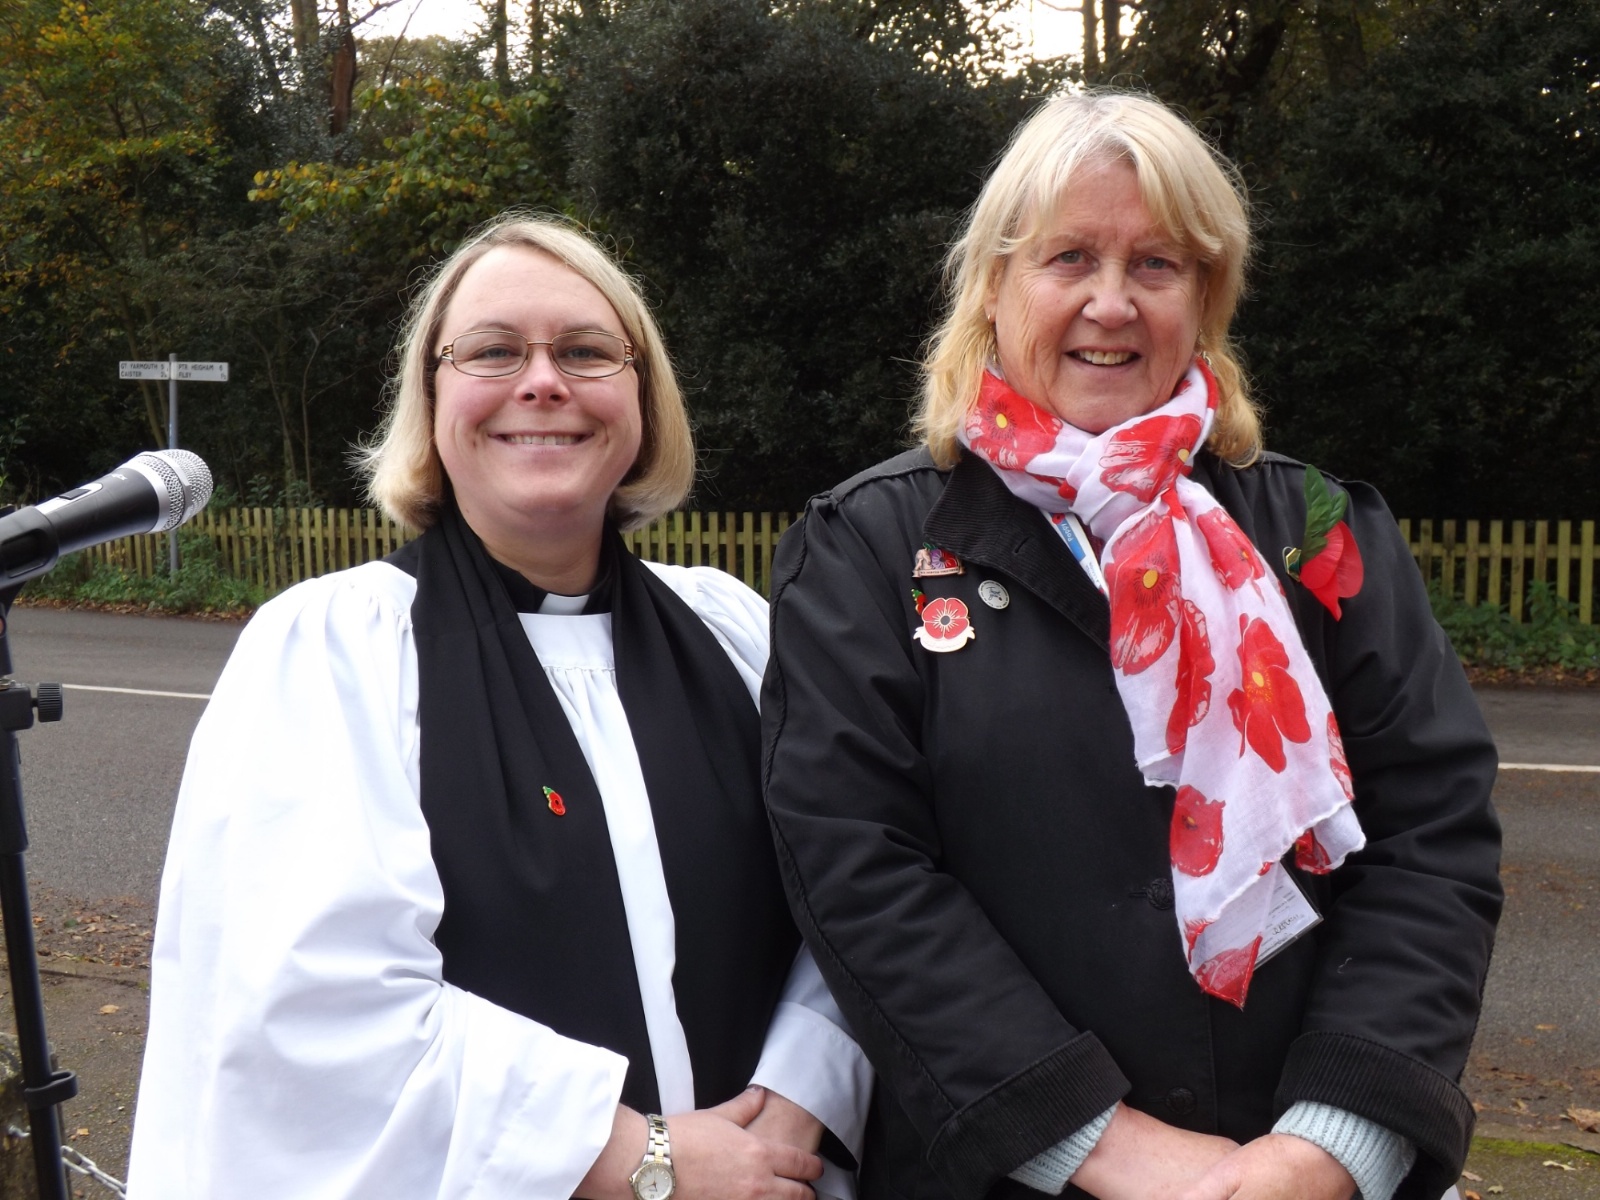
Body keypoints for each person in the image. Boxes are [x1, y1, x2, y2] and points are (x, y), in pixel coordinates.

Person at [761, 90, 1499, 1200]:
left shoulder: (1317, 529)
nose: (1110, 303)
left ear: (1205, 297)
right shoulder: (864, 545)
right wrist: (1100, 1144)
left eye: (1157, 264)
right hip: (1004, 1171)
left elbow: (1431, 836)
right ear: (994, 285)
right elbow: (854, 868)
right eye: (1068, 257)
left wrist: (1332, 1143)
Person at [128, 214, 870, 1199]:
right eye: (492, 351)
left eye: (586, 351)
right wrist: (638, 1156)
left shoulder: (737, 635)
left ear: (642, 396)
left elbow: (862, 883)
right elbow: (305, 1001)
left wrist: (803, 1088)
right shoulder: (336, 651)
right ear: (431, 400)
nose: (543, 382)